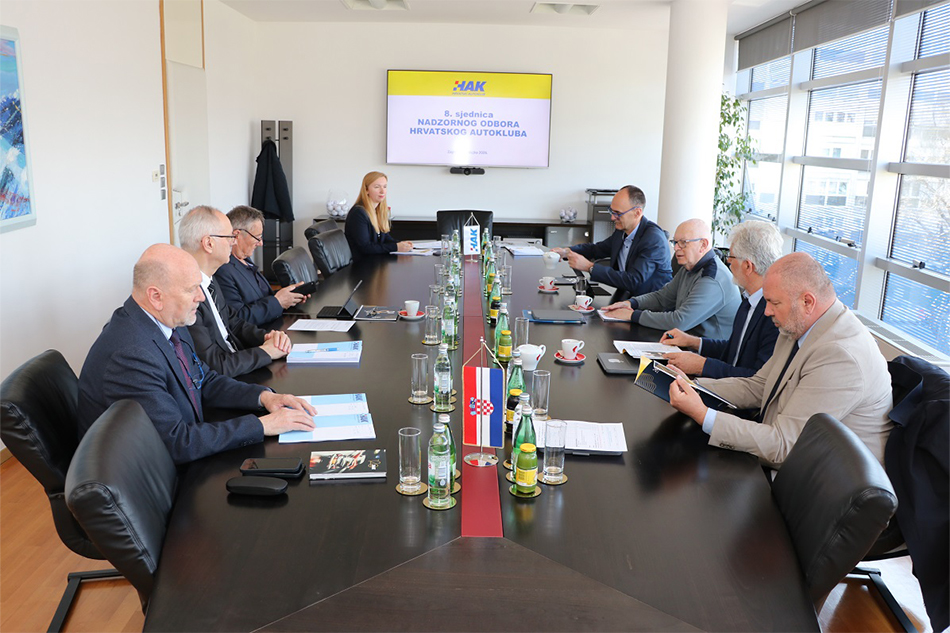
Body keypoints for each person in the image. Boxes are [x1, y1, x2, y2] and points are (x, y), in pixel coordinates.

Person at [77, 243, 317, 464]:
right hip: (154, 476)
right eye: (192, 289)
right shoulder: (131, 355)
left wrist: (264, 398)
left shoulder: (168, 321)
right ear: (156, 296)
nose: (201, 297)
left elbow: (204, 379)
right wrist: (261, 425)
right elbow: (177, 442)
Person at [667, 252, 893, 468]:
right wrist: (693, 387)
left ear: (807, 302)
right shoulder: (799, 324)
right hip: (790, 455)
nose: (767, 312)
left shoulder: (841, 356)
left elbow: (785, 445)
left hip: (822, 480)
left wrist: (703, 414)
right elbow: (760, 386)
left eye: (774, 303)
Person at [179, 206, 292, 377]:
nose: (233, 242)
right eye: (229, 237)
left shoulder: (210, 279)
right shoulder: (187, 295)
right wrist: (266, 352)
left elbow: (233, 322)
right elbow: (215, 366)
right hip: (227, 379)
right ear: (209, 243)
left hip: (240, 362)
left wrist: (268, 338)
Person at [661, 220, 782, 378]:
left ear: (748, 266)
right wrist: (692, 341)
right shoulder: (749, 300)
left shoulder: (774, 315)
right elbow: (734, 350)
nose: (728, 261)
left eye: (731, 257)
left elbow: (756, 379)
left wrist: (702, 366)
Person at [601, 219, 740, 339]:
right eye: (675, 242)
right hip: (685, 342)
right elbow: (663, 298)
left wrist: (632, 315)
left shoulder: (712, 278)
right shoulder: (689, 267)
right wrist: (631, 303)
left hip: (708, 354)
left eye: (683, 243)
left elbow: (679, 321)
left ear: (703, 245)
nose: (676, 248)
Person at [551, 186, 672, 300]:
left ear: (637, 213)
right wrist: (567, 252)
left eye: (618, 213)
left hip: (649, 303)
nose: (612, 218)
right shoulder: (622, 231)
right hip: (625, 297)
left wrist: (589, 267)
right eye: (611, 211)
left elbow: (633, 280)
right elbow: (597, 249)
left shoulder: (653, 239)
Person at [214, 205, 308, 328]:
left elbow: (261, 297)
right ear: (237, 235)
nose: (261, 243)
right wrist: (278, 302)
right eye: (257, 237)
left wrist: (289, 296)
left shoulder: (245, 260)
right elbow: (238, 319)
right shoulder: (223, 270)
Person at [344, 171, 412, 259]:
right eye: (377, 187)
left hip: (375, 260)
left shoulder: (378, 210)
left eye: (385, 186)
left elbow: (385, 238)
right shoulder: (358, 213)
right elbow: (365, 247)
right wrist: (396, 247)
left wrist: (402, 244)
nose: (382, 191)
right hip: (362, 263)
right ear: (366, 190)